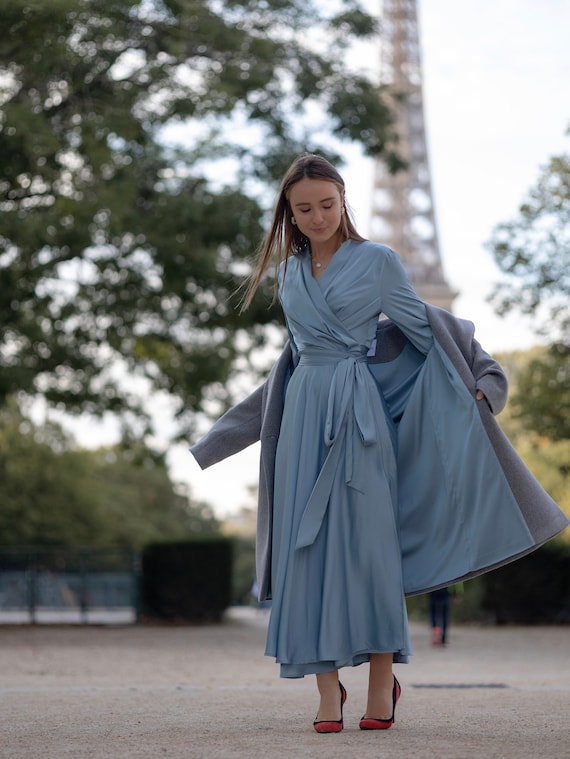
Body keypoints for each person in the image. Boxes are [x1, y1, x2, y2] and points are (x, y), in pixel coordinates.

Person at [190, 154, 568, 734]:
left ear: (344, 200)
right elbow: (289, 365)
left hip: (360, 416)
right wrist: (226, 434)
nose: (317, 217)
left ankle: (379, 685)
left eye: (326, 204)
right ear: (289, 214)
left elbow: (427, 330)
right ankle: (324, 691)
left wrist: (483, 379)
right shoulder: (289, 273)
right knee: (302, 552)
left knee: (372, 550)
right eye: (303, 208)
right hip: (301, 424)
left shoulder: (379, 260)